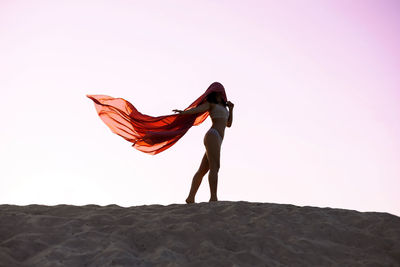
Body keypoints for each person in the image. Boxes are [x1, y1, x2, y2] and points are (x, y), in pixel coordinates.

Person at [173, 91, 234, 203]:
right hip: (213, 135)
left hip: (218, 139)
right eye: (217, 93)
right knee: (215, 167)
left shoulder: (224, 108)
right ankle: (213, 198)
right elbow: (197, 110)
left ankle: (190, 198)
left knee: (203, 170)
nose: (220, 95)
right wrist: (183, 112)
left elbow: (228, 124)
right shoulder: (211, 104)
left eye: (221, 93)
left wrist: (231, 109)